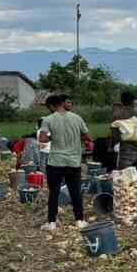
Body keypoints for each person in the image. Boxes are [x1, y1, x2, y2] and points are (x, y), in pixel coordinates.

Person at [39, 94, 90, 231]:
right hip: (73, 161)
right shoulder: (77, 118)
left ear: (51, 106)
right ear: (62, 103)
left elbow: (42, 139)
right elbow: (87, 137)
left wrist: (53, 139)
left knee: (54, 192)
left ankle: (51, 223)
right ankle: (79, 220)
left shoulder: (48, 119)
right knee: (75, 192)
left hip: (55, 161)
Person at [110, 90, 137, 173]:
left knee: (125, 181)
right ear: (133, 101)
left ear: (122, 102)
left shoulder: (116, 116)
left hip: (125, 154)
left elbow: (116, 137)